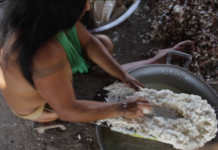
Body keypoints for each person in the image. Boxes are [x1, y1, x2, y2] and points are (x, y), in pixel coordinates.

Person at [0, 0, 195, 123]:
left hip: (53, 69)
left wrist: (121, 74)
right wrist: (123, 108)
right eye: (83, 2)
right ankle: (153, 61)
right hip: (42, 108)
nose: (86, 6)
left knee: (104, 43)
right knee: (97, 100)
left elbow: (90, 43)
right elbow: (69, 110)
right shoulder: (44, 54)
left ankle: (93, 74)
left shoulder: (42, 16)